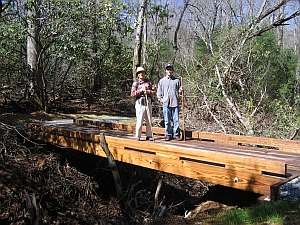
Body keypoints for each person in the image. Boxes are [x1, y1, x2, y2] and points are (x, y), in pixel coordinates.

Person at [157, 63, 183, 141]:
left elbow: (179, 92)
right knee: (167, 121)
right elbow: (159, 93)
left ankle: (176, 134)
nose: (169, 71)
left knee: (176, 120)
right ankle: (168, 134)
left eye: (170, 69)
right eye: (168, 69)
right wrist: (162, 100)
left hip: (175, 103)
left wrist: (181, 90)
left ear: (172, 70)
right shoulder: (162, 81)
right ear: (165, 71)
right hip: (166, 103)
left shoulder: (177, 80)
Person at [131, 66, 156, 141]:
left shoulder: (149, 82)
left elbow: (154, 92)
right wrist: (140, 91)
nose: (141, 74)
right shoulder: (136, 83)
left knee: (149, 119)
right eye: (140, 73)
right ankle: (138, 136)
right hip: (140, 103)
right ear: (138, 74)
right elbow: (132, 94)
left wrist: (148, 92)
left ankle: (149, 135)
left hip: (148, 102)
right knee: (140, 120)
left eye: (143, 72)